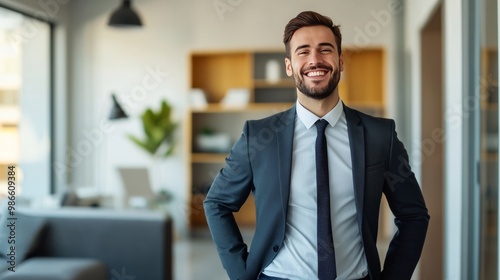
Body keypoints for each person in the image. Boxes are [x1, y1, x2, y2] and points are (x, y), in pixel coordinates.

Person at [204, 11, 429, 280]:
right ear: (289, 66)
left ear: (341, 60)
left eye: (325, 49)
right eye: (303, 51)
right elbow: (217, 203)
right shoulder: (258, 137)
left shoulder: (381, 135)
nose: (315, 60)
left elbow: (414, 215)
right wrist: (242, 274)